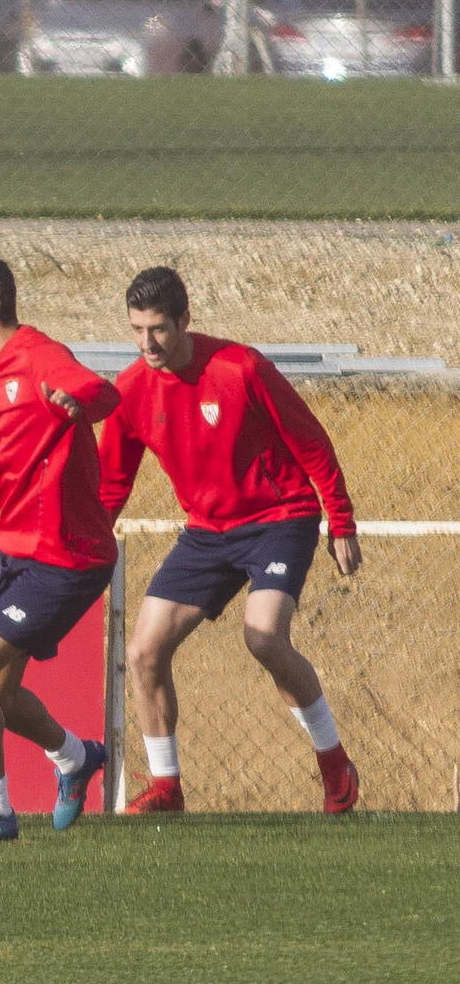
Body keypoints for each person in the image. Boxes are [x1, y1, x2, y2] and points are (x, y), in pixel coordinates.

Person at [98, 267, 361, 815]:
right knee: (144, 652)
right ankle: (167, 788)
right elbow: (112, 483)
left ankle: (333, 762)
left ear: (185, 321)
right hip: (206, 532)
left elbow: (310, 442)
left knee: (263, 637)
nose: (147, 343)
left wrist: (341, 522)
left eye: (160, 329)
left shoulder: (241, 367)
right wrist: (87, 546)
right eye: (137, 330)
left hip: (279, 516)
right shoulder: (130, 390)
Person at [0, 250, 116, 843]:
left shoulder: (38, 357)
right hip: (18, 550)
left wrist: (79, 402)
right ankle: (74, 759)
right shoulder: (0, 366)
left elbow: (103, 394)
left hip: (63, 558)